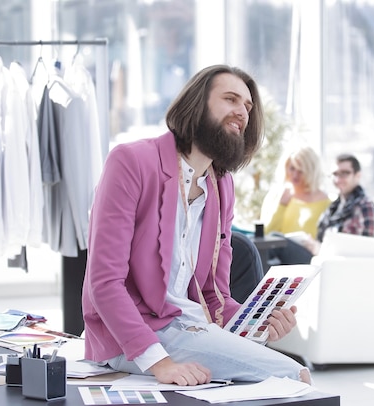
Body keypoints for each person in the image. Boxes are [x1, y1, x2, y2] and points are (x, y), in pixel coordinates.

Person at [81, 65, 311, 386]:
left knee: (291, 374)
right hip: (133, 335)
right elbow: (104, 283)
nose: (241, 112)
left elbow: (213, 296)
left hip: (187, 324)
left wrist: (257, 322)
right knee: (294, 376)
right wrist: (161, 364)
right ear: (197, 104)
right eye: (230, 99)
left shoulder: (222, 185)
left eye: (247, 107)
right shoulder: (131, 162)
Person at [299, 153, 374, 257]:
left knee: (278, 245)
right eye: (335, 174)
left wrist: (319, 250)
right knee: (276, 241)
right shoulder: (335, 207)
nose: (338, 179)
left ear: (357, 175)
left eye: (344, 173)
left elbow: (365, 252)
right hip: (320, 258)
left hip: (333, 264)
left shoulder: (365, 207)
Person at [262, 146, 331, 265]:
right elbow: (265, 235)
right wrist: (281, 206)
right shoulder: (277, 196)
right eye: (292, 169)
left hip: (309, 257)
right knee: (270, 242)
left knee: (278, 240)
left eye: (300, 171)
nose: (295, 175)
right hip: (279, 257)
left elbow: (328, 241)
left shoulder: (326, 203)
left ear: (311, 172)